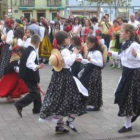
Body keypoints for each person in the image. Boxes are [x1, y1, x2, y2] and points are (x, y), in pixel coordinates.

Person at [39, 31, 87, 133]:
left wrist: (75, 57)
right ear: (64, 40)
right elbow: (68, 63)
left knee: (60, 99)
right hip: (65, 77)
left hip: (58, 76)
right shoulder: (65, 50)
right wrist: (74, 54)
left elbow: (65, 61)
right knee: (74, 98)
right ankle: (69, 121)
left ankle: (59, 126)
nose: (69, 39)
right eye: (68, 38)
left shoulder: (58, 49)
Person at [108, 23, 140, 133]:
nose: (120, 33)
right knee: (120, 95)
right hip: (126, 72)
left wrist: (136, 56)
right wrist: (111, 53)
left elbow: (138, 56)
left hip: (133, 74)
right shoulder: (126, 43)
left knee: (126, 98)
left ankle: (128, 125)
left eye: (122, 31)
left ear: (128, 33)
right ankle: (134, 113)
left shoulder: (134, 45)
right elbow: (123, 56)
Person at [15, 35, 45, 117]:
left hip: (26, 74)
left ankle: (37, 108)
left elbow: (22, 61)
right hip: (30, 75)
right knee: (34, 92)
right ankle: (19, 104)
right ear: (37, 43)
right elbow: (29, 63)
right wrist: (37, 66)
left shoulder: (26, 49)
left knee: (36, 90)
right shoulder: (32, 51)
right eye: (39, 43)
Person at [78, 36, 103, 111]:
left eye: (88, 43)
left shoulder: (97, 52)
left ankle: (95, 104)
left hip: (94, 71)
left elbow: (100, 63)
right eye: (86, 43)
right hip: (89, 69)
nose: (87, 44)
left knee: (93, 87)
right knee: (84, 83)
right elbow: (89, 61)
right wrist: (81, 60)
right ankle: (87, 102)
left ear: (93, 43)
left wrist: (91, 60)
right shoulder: (91, 51)